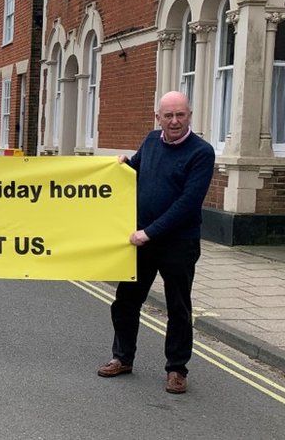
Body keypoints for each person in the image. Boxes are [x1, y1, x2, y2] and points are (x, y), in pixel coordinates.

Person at [97, 91, 214, 394]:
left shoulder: (202, 152)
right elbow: (138, 168)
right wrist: (124, 165)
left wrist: (149, 232)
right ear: (158, 117)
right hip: (142, 242)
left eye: (181, 115)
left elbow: (188, 203)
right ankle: (122, 358)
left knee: (178, 307)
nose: (174, 121)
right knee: (125, 302)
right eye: (168, 116)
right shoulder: (151, 141)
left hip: (178, 243)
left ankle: (177, 369)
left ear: (190, 115)